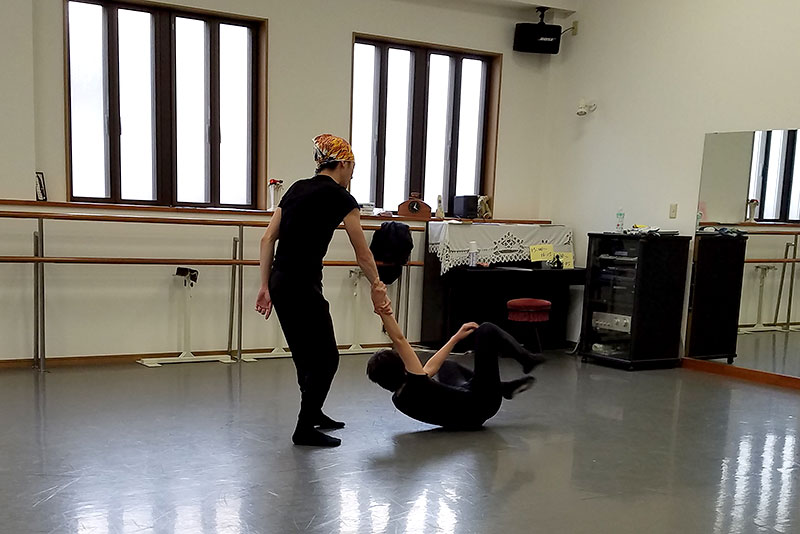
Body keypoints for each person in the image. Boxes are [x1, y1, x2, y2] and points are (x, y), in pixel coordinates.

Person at [256, 134, 391, 447]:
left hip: (281, 280)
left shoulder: (296, 189)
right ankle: (304, 428)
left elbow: (267, 239)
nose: (352, 174)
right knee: (327, 357)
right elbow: (362, 252)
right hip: (302, 284)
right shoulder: (342, 198)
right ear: (342, 163)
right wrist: (377, 283)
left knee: (305, 356)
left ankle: (313, 413)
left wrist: (264, 286)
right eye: (352, 167)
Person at [367, 310, 543, 429]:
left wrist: (455, 338)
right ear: (403, 369)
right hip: (482, 405)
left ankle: (503, 388)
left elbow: (430, 368)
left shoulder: (400, 399)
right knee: (486, 330)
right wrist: (383, 310)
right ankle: (526, 360)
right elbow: (399, 339)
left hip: (467, 413)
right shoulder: (416, 384)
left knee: (446, 365)